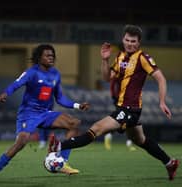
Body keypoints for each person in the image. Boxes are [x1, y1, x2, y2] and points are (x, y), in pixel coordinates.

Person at [48, 24, 179, 180]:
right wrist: (104, 60)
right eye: (127, 40)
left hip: (131, 109)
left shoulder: (143, 58)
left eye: (133, 41)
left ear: (139, 43)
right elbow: (106, 77)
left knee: (95, 129)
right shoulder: (120, 57)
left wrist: (162, 101)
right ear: (123, 40)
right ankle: (170, 162)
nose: (130, 43)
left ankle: (60, 145)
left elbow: (161, 79)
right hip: (122, 106)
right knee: (140, 140)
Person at [0, 44, 89, 182]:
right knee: (21, 143)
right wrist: (5, 93)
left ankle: (62, 161)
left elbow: (60, 98)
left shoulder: (55, 74)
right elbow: (16, 84)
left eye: (52, 55)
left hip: (45, 113)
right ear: (39, 58)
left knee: (74, 123)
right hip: (28, 114)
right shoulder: (31, 72)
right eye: (47, 55)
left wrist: (77, 105)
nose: (51, 58)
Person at [104, 78, 136, 151]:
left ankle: (129, 143)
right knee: (121, 120)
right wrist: (114, 97)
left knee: (128, 120)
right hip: (119, 100)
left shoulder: (131, 76)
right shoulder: (119, 75)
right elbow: (112, 85)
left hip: (130, 101)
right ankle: (109, 136)